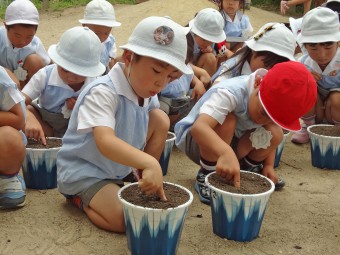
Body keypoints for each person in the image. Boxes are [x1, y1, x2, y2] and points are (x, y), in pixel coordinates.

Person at [57, 16, 192, 232]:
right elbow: (105, 141)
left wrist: (145, 165)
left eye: (171, 77)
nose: (161, 82)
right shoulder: (103, 92)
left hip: (115, 168)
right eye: (157, 71)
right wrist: (150, 161)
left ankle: (138, 176)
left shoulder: (146, 89)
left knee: (160, 118)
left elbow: (152, 121)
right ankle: (77, 198)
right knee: (126, 220)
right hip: (86, 172)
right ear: (129, 57)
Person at [175, 61, 317, 204]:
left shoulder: (268, 105)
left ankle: (248, 169)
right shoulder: (229, 93)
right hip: (199, 142)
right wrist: (226, 152)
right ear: (257, 83)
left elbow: (272, 125)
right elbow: (199, 128)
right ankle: (207, 174)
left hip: (231, 143)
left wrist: (268, 165)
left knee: (275, 132)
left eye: (271, 117)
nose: (263, 120)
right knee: (227, 121)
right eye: (263, 112)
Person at [21, 26, 105, 145]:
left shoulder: (94, 84)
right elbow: (19, 101)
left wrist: (82, 106)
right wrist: (29, 118)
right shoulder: (45, 76)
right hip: (46, 126)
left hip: (76, 132)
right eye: (65, 70)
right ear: (57, 62)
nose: (70, 77)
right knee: (28, 110)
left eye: (78, 73)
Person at [291, 7, 340, 144]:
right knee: (303, 86)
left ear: (338, 42)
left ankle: (337, 130)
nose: (321, 54)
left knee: (337, 98)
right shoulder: (303, 62)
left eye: (328, 47)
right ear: (305, 46)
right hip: (315, 112)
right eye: (313, 47)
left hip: (335, 110)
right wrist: (304, 77)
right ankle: (308, 127)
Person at [212, 22, 296, 84]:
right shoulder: (233, 67)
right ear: (254, 50)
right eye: (266, 65)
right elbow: (216, 89)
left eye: (275, 69)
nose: (267, 72)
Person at [0, 0, 50, 89]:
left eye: (29, 36)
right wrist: (6, 74)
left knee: (35, 61)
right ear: (6, 26)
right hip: (2, 81)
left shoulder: (35, 44)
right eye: (17, 36)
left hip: (22, 83)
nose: (23, 41)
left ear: (36, 31)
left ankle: (24, 97)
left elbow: (47, 68)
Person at [0, 66, 27, 209]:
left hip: (3, 143)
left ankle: (7, 177)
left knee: (9, 137)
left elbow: (18, 119)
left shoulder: (2, 81)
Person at [79, 0, 121, 72]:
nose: (101, 37)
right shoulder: (78, 40)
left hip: (102, 73)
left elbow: (111, 60)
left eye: (106, 33)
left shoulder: (110, 41)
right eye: (96, 33)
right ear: (84, 26)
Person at [187, 8, 229, 77]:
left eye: (211, 40)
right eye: (204, 39)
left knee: (210, 57)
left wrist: (211, 51)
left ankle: (206, 86)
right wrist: (201, 72)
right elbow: (181, 63)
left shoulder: (215, 42)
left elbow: (219, 56)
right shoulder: (187, 38)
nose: (207, 44)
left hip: (198, 67)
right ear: (195, 32)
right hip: (184, 72)